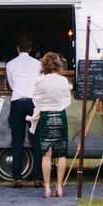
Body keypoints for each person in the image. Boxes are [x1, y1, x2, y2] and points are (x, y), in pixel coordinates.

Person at [29, 52, 72, 198]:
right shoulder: (63, 80)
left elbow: (35, 99)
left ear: (44, 64)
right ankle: (59, 186)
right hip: (60, 116)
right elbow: (67, 99)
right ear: (58, 63)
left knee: (46, 154)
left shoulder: (39, 81)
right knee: (61, 154)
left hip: (45, 116)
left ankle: (47, 187)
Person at [5, 34, 43, 188]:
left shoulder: (10, 64)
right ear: (31, 48)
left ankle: (17, 178)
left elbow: (11, 84)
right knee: (36, 140)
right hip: (33, 102)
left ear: (17, 48)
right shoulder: (38, 64)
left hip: (17, 102)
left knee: (17, 140)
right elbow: (40, 83)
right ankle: (38, 177)